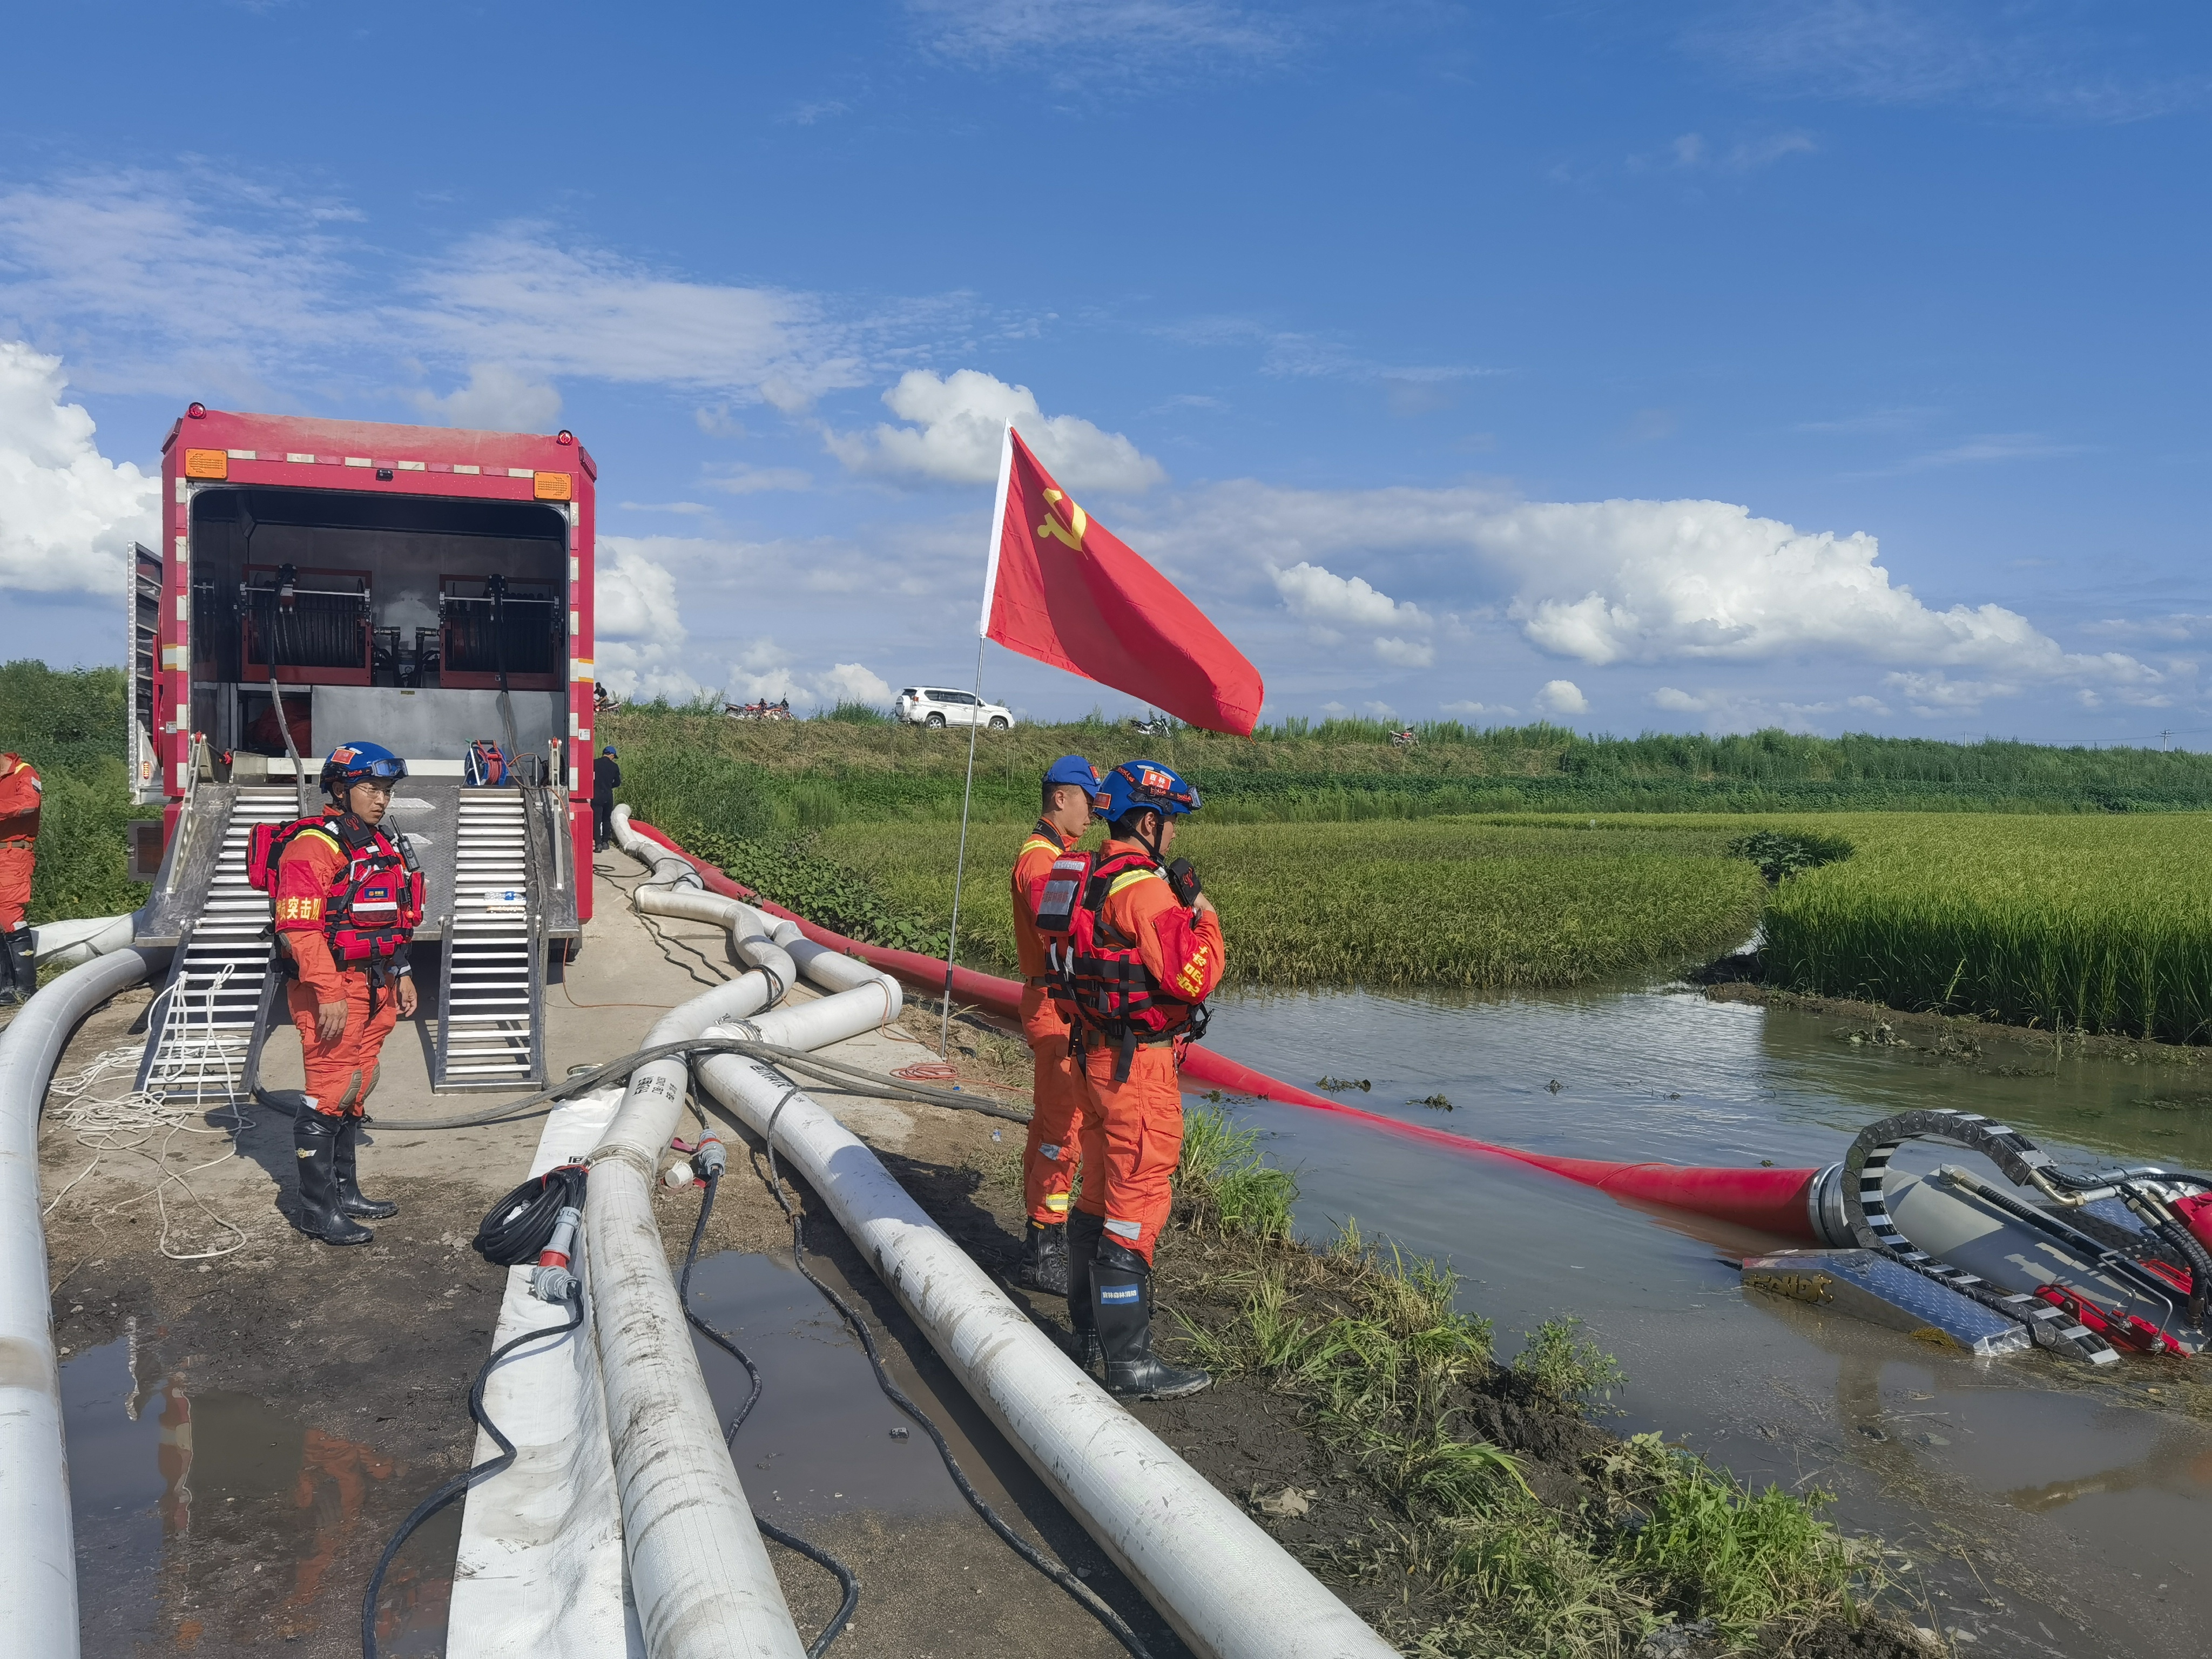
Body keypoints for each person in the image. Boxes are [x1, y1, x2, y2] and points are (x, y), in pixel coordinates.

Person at [1063, 760, 1224, 1398]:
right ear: (1148, 822)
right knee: (1137, 1198)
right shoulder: (1147, 893)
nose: (1175, 834)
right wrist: (1203, 912)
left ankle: (1088, 1337)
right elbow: (1194, 976)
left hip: (1094, 1057)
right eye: (1172, 822)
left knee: (1097, 1197)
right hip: (1138, 1068)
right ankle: (1130, 1365)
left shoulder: (1086, 876)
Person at [271, 741, 424, 1245]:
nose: (381, 799)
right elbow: (298, 928)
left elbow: (394, 914)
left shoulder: (376, 843)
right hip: (334, 987)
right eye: (370, 789)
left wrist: (402, 970)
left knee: (357, 1085)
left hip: (377, 982)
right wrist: (328, 990)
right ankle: (316, 1211)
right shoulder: (313, 846)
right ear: (340, 790)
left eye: (387, 791)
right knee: (331, 1090)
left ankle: (345, 1192)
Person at [1009, 755, 1101, 1296]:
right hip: (1054, 1004)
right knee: (1061, 1131)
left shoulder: (1055, 855)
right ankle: (1045, 1247)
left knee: (1053, 1122)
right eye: (1088, 801)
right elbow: (1061, 926)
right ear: (1061, 798)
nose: (1092, 814)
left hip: (1055, 1000)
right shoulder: (1040, 860)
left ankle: (1043, 1238)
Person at [0, 751, 41, 1005]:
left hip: (13, 854)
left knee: (10, 915)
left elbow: (29, 804)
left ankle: (25, 989)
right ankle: (5, 989)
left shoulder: (24, 772)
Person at [592, 744, 622, 850]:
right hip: (608, 795)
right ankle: (605, 842)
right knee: (606, 819)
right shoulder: (614, 767)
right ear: (612, 755)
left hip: (596, 795)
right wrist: (609, 786)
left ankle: (598, 844)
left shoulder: (594, 763)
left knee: (596, 820)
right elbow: (618, 783)